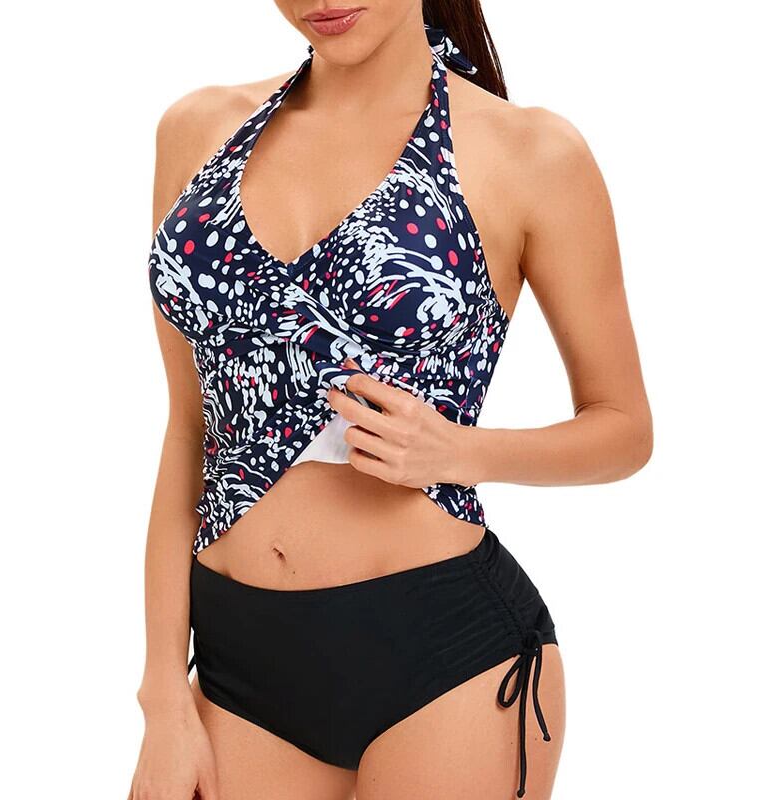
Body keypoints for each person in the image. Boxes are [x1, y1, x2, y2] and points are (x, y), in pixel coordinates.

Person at [131, 2, 653, 799]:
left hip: (442, 663)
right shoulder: (198, 131)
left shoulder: (529, 153)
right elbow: (188, 432)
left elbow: (624, 428)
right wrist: (163, 696)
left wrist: (460, 451)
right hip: (240, 667)